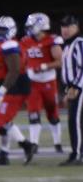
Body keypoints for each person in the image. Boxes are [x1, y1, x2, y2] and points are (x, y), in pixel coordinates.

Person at [0, 16, 39, 166]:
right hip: (8, 85)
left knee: (2, 120)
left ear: (11, 31)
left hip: (14, 87)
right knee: (1, 122)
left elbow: (15, 70)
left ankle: (26, 145)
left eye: (2, 30)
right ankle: (4, 155)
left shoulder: (9, 45)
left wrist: (2, 90)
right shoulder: (1, 45)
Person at [20, 13, 64, 153]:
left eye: (32, 26)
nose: (29, 28)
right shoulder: (25, 41)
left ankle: (57, 144)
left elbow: (60, 61)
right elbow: (23, 60)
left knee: (52, 114)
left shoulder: (52, 40)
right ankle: (34, 145)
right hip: (32, 83)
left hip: (48, 82)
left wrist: (44, 66)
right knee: (33, 114)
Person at [60, 14, 81, 165]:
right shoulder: (67, 45)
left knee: (75, 120)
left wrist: (75, 87)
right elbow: (68, 71)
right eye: (63, 26)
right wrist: (68, 89)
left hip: (80, 88)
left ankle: (77, 154)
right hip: (73, 88)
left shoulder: (79, 43)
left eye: (69, 26)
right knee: (74, 121)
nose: (65, 29)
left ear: (76, 28)